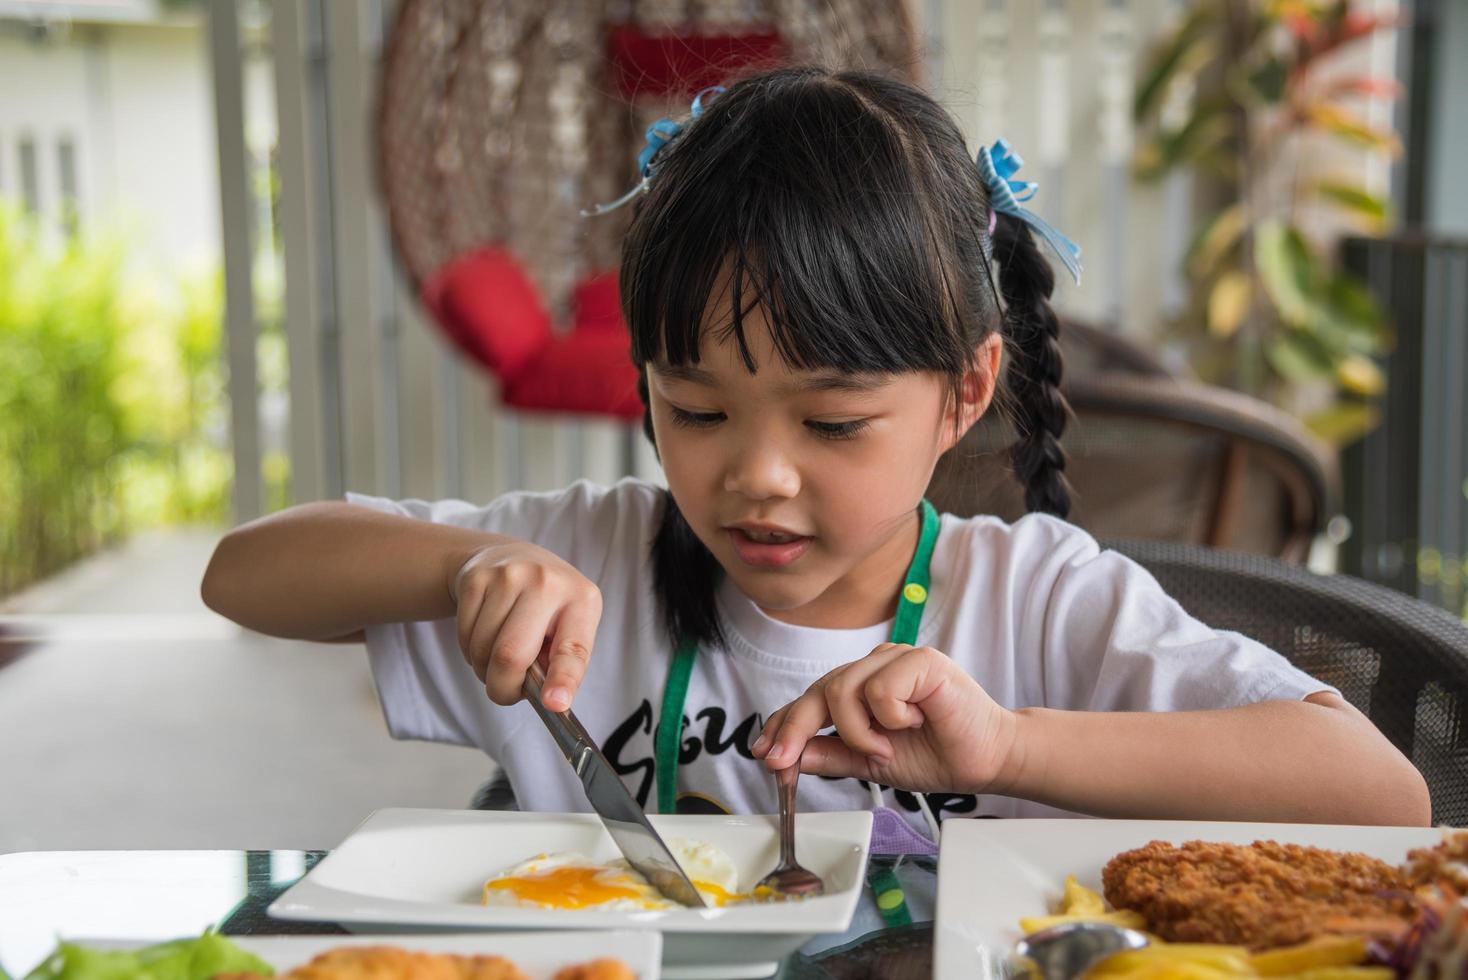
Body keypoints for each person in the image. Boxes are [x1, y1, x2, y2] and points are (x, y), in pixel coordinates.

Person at [201, 66, 1429, 838]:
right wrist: (460, 564)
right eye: (695, 408)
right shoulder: (587, 559)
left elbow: (1383, 794)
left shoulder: (1036, 598)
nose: (757, 474)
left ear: (966, 391)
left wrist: (1009, 748)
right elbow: (241, 576)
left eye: (832, 422)